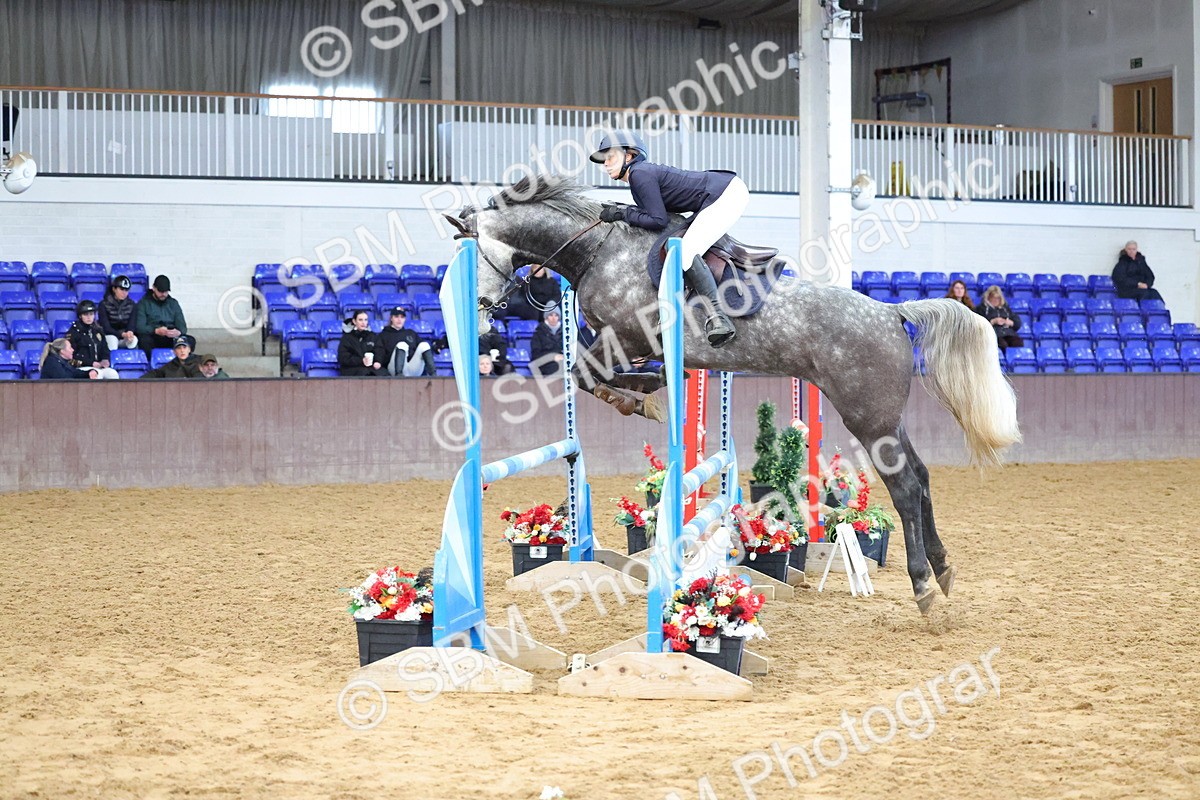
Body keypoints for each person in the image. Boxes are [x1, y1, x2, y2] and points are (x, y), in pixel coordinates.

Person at [590, 130, 743, 347]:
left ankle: (719, 318)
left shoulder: (639, 174)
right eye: (604, 159)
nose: (605, 163)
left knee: (687, 252)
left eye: (610, 157)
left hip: (726, 193)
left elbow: (658, 220)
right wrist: (623, 211)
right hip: (718, 193)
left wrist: (622, 213)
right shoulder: (640, 176)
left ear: (630, 156)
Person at [66, 300, 120, 379]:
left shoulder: (98, 331)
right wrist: (90, 363)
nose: (89, 317)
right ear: (80, 316)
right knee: (96, 375)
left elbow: (105, 348)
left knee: (113, 374)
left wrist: (105, 360)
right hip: (83, 367)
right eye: (86, 314)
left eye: (91, 314)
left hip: (99, 366)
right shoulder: (73, 333)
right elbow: (70, 357)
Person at [135, 274, 187, 355]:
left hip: (170, 337)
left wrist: (178, 332)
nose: (163, 294)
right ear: (154, 288)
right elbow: (139, 327)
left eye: (165, 292)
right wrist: (155, 330)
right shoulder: (144, 303)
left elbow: (183, 326)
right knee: (144, 340)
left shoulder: (173, 303)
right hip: (153, 336)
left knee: (190, 341)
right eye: (160, 291)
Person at [376, 307, 435, 377]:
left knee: (424, 345)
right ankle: (399, 376)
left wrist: (436, 346)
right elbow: (379, 351)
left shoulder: (411, 333)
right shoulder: (383, 335)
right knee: (402, 345)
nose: (399, 319)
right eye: (396, 317)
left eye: (402, 317)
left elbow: (423, 348)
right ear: (391, 318)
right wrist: (378, 361)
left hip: (412, 368)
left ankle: (434, 376)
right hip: (393, 369)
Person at [98, 274, 140, 352]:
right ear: (114, 289)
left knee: (133, 340)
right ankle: (113, 363)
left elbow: (132, 324)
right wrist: (121, 334)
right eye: (121, 289)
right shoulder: (103, 304)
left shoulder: (132, 305)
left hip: (125, 336)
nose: (124, 293)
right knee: (112, 340)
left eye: (126, 290)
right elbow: (106, 328)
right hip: (110, 335)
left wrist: (130, 332)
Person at [976, 285, 1024, 351]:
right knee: (1002, 344)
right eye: (993, 298)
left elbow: (1017, 322)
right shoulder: (981, 308)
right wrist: (993, 321)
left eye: (998, 298)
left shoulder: (1005, 308)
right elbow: (978, 324)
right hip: (992, 334)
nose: (996, 300)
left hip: (1008, 332)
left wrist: (1010, 323)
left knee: (1018, 342)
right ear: (988, 297)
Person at [338, 310, 382, 376]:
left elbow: (379, 350)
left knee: (384, 374)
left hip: (370, 369)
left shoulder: (373, 336)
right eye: (360, 320)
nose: (363, 323)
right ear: (354, 321)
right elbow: (343, 358)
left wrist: (378, 361)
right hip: (352, 370)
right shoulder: (346, 338)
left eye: (365, 320)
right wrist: (361, 361)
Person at [530, 306, 565, 377]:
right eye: (551, 315)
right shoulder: (538, 333)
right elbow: (535, 355)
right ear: (546, 317)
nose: (553, 318)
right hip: (545, 365)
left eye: (556, 315)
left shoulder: (565, 332)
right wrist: (552, 357)